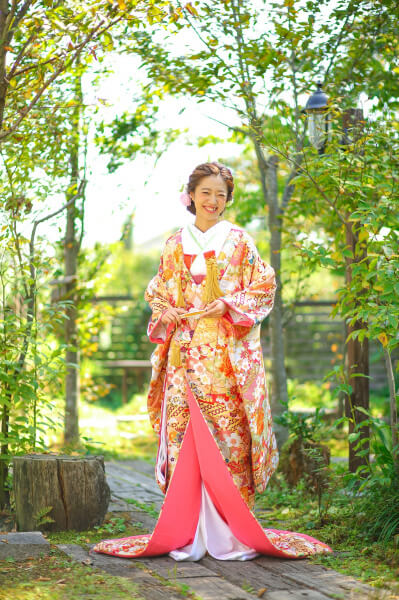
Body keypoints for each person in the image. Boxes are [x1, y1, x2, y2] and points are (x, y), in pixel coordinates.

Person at [93, 161, 333, 560]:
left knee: (226, 437)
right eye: (205, 192)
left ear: (227, 200)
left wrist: (228, 303)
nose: (213, 200)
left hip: (224, 356)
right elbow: (158, 290)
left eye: (221, 194)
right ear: (191, 196)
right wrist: (165, 310)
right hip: (183, 354)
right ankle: (186, 529)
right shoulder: (174, 244)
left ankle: (226, 530)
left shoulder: (240, 242)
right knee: (183, 435)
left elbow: (264, 286)